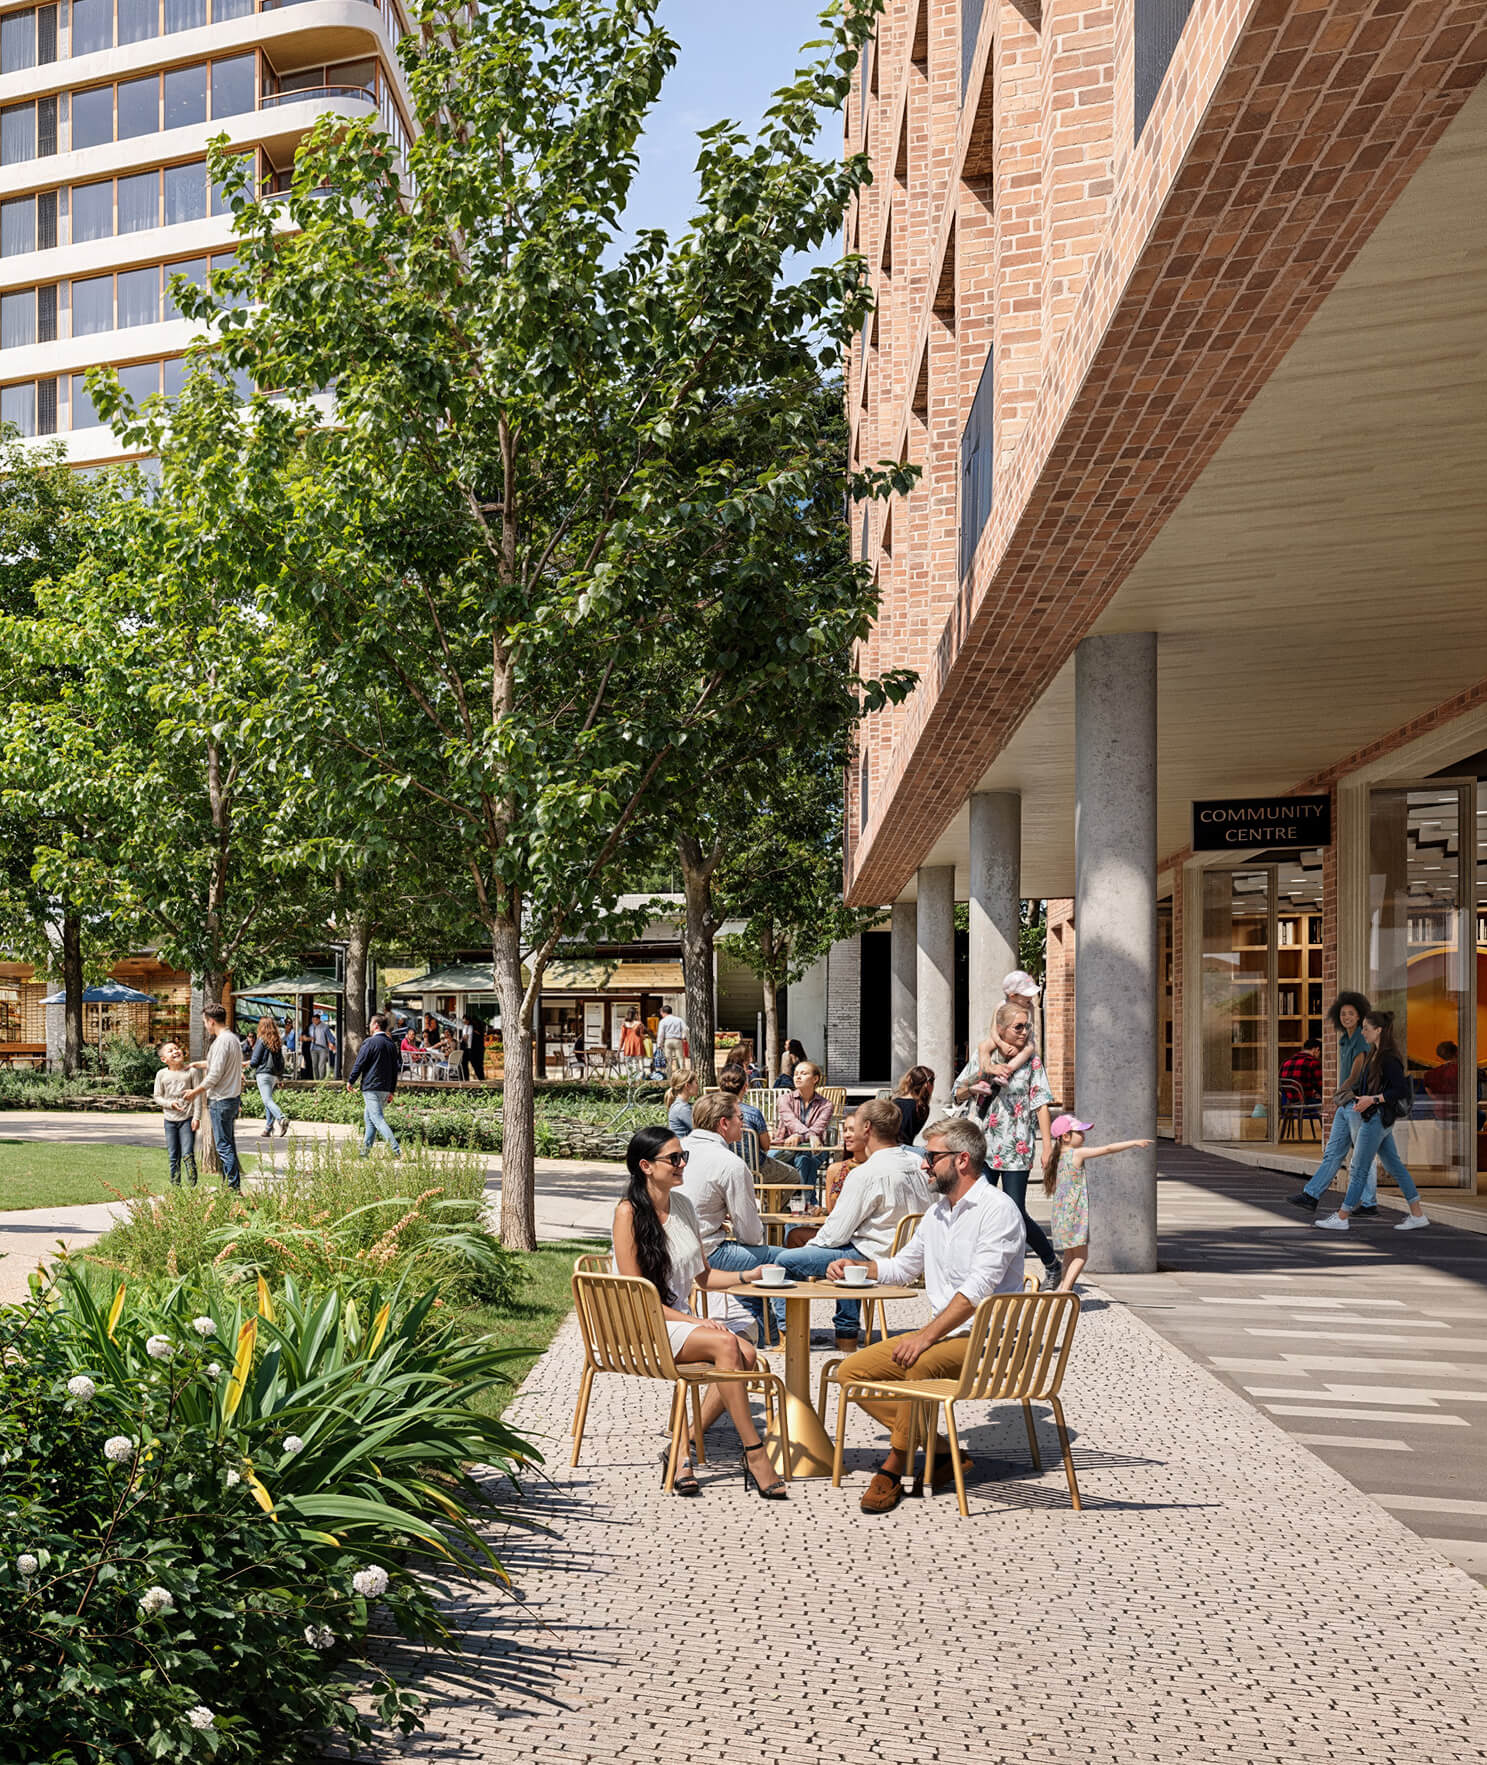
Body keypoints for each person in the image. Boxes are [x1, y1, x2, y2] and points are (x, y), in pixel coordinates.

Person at [828, 1116, 1026, 1514]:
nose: (923, 1164)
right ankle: (938, 1451)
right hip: (947, 1336)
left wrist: (924, 1336)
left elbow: (975, 1293)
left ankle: (894, 1467)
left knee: (918, 1364)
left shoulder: (997, 1210)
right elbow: (901, 1268)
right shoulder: (938, 1213)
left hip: (990, 1342)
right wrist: (857, 1267)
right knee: (850, 1373)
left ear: (962, 1160)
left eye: (931, 1156)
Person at [613, 1125, 787, 1499]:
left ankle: (680, 1447)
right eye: (673, 1158)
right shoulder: (628, 1213)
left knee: (748, 1353)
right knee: (728, 1347)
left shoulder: (684, 1206)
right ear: (646, 1166)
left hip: (678, 1321)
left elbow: (704, 1276)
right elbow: (636, 1296)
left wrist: (749, 1275)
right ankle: (755, 1454)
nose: (681, 1164)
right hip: (644, 1324)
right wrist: (696, 1321)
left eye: (683, 1157)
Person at [766, 1099, 933, 1353]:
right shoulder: (918, 1163)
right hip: (910, 1253)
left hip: (874, 1255)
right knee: (843, 1250)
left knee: (785, 1261)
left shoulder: (867, 1172)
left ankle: (791, 1337)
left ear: (866, 1127)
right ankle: (846, 1334)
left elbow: (834, 1234)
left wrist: (810, 1249)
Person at [954, 1002, 1061, 1288]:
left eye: (1027, 1026)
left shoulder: (1031, 1062)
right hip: (982, 1148)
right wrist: (973, 1087)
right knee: (978, 1208)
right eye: (1018, 1026)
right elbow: (958, 1093)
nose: (1024, 1031)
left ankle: (1051, 1262)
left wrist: (1048, 1147)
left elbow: (1041, 1104)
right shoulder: (984, 1056)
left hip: (1017, 1147)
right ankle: (983, 1269)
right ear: (1001, 1030)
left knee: (1015, 1211)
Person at [1315, 1011, 1429, 1233]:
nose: (1363, 1031)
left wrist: (1372, 1100)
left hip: (1377, 1120)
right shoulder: (1374, 1055)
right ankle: (1418, 1214)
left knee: (1358, 1168)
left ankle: (1342, 1216)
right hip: (1378, 1119)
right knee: (1394, 1166)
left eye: (1366, 1027)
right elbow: (1368, 1088)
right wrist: (1354, 1100)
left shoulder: (1388, 1057)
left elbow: (1400, 1089)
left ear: (1379, 1030)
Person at [678, 1091, 778, 1336]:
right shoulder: (729, 1162)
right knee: (780, 1260)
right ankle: (782, 1333)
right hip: (704, 1253)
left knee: (754, 1256)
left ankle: (765, 1329)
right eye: (740, 1118)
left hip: (675, 1247)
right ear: (724, 1123)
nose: (743, 1124)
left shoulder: (677, 1149)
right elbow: (750, 1232)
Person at [1041, 1115, 1153, 1292]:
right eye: (1080, 1132)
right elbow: (1108, 1149)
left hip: (1060, 1216)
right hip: (1075, 1215)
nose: (1084, 1135)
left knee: (1070, 1256)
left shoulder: (1057, 1159)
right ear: (1066, 1136)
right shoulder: (1076, 1153)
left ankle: (1060, 1289)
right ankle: (1065, 1291)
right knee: (1081, 1257)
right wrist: (1133, 1142)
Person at [1288, 992, 1378, 1214]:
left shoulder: (1359, 1037)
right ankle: (1311, 1195)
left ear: (1359, 1016)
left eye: (1351, 1013)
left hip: (1355, 1103)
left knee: (1362, 1154)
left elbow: (1355, 1075)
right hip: (1345, 1104)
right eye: (1343, 1013)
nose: (1346, 1017)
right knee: (1333, 1153)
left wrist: (1334, 1099)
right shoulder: (1344, 1039)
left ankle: (1369, 1203)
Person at [183, 1005, 244, 1192]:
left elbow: (214, 1075)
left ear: (211, 1021)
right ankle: (228, 1186)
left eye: (205, 1023)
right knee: (228, 1145)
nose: (205, 1027)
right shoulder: (233, 1039)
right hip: (232, 1099)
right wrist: (198, 1064)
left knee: (224, 1147)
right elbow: (220, 1064)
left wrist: (194, 1092)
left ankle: (233, 1189)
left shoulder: (220, 1042)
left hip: (220, 1100)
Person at [345, 1013, 402, 1158]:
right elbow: (394, 1070)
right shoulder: (391, 1045)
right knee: (369, 1120)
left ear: (376, 1025)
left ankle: (396, 1150)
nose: (369, 1026)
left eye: (370, 1023)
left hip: (371, 1087)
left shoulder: (370, 1042)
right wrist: (392, 1090)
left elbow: (360, 1063)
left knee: (377, 1119)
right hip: (385, 1089)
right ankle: (364, 1153)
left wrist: (351, 1080)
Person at [775, 1060, 835, 1194]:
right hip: (785, 1146)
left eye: (803, 1073)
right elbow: (790, 1121)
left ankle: (802, 1201)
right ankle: (807, 1201)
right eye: (795, 1073)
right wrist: (809, 1135)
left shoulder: (826, 1105)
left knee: (804, 1160)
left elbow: (819, 1127)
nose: (797, 1076)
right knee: (771, 1158)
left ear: (815, 1079)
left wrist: (799, 1135)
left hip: (814, 1149)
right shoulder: (784, 1099)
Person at [152, 1041, 201, 1186]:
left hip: (187, 1119)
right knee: (173, 1156)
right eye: (170, 1050)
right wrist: (169, 1104)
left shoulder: (191, 1072)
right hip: (169, 1121)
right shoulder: (161, 1074)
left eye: (177, 1048)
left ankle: (192, 1187)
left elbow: (198, 1095)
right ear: (164, 1059)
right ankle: (176, 1188)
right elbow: (157, 1096)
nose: (175, 1051)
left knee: (187, 1155)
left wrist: (196, 1117)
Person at [248, 1014, 290, 1139]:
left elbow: (254, 1061)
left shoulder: (261, 1040)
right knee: (268, 1100)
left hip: (263, 1074)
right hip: (273, 1076)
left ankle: (282, 1119)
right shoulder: (277, 1041)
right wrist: (280, 1077)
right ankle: (268, 1128)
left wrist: (249, 1064)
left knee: (267, 1100)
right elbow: (279, 1061)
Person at [889, 1064, 935, 1147]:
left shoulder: (893, 1102)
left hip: (888, 1148)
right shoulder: (922, 1107)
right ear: (928, 1085)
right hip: (905, 1148)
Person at [1422, 1041, 1459, 1118]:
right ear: (1457, 1053)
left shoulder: (1430, 1074)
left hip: (1441, 1114)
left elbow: (1430, 1092)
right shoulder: (1463, 1071)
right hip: (1461, 1112)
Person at [1280, 1036, 1323, 1103]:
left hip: (1287, 1102)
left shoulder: (1286, 1062)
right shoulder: (1313, 1062)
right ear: (1316, 1049)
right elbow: (1320, 1086)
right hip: (1304, 1101)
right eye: (1320, 1054)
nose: (1319, 1057)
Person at [656, 1005, 689, 1075]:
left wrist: (659, 1044)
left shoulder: (663, 1021)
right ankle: (683, 1074)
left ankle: (669, 1075)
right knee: (680, 1058)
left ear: (664, 1012)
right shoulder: (679, 1019)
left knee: (668, 1060)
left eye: (661, 1013)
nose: (661, 1014)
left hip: (668, 1040)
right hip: (677, 1040)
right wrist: (683, 1036)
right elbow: (685, 1028)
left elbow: (660, 1034)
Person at [666, 1066, 699, 1136]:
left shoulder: (680, 1105)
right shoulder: (682, 1108)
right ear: (687, 1086)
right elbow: (700, 1130)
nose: (698, 1086)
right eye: (696, 1082)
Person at [619, 1005, 646, 1071]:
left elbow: (622, 1037)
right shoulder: (639, 1024)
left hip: (628, 1046)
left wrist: (619, 1048)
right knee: (639, 1066)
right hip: (638, 1046)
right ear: (636, 1014)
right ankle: (639, 1080)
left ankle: (630, 1080)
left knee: (629, 1066)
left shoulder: (624, 1024)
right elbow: (641, 1035)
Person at [458, 1016, 482, 1082]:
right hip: (466, 1048)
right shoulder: (464, 1027)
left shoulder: (471, 1027)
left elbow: (466, 1037)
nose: (464, 1022)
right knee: (464, 1063)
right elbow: (464, 1036)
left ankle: (480, 1078)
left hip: (471, 1048)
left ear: (468, 1020)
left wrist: (462, 1040)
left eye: (465, 1020)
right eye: (463, 1020)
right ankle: (465, 1078)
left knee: (474, 1064)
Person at [309, 1012, 332, 1080]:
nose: (314, 1021)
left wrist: (333, 1043)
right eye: (313, 1020)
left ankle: (321, 1079)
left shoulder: (325, 1027)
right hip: (313, 1048)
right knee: (314, 1065)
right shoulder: (311, 1027)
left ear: (319, 1019)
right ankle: (317, 1079)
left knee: (321, 1065)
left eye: (315, 1020)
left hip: (323, 1048)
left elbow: (330, 1037)